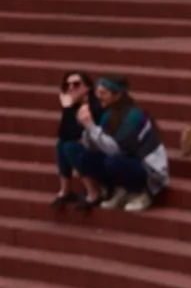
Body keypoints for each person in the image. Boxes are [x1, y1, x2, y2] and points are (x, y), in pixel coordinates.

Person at [74, 75, 171, 214]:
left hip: (149, 170)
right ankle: (119, 190)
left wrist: (90, 127)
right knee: (85, 157)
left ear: (117, 95)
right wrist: (86, 129)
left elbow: (116, 150)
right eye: (97, 93)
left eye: (103, 93)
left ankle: (141, 194)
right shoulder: (109, 114)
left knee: (113, 162)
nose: (98, 97)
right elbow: (97, 145)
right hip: (126, 160)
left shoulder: (135, 116)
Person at [50, 72, 89, 210]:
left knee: (70, 147)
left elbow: (77, 135)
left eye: (76, 84)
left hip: (101, 154)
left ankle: (94, 193)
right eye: (67, 85)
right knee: (62, 144)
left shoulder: (93, 106)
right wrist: (67, 109)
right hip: (88, 149)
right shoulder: (73, 106)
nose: (71, 88)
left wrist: (67, 108)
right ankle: (65, 190)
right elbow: (64, 133)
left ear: (87, 87)